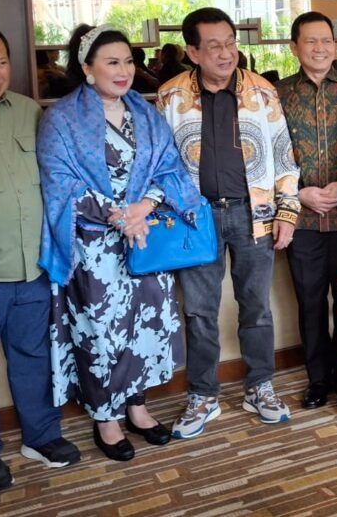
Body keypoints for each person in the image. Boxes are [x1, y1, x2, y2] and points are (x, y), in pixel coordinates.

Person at [38, 24, 202, 462]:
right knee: (102, 331)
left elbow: (170, 168)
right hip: (94, 248)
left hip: (145, 239)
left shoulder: (144, 113)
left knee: (145, 327)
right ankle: (105, 418)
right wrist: (117, 215)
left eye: (128, 61)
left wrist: (144, 207)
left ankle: (138, 408)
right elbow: (60, 184)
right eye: (112, 62)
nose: (124, 70)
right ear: (87, 68)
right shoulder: (61, 118)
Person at [0, 24, 80, 491]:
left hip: (32, 267)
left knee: (34, 357)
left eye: (1, 62)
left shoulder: (29, 111)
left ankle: (41, 436)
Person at [158, 7, 300, 437]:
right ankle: (203, 396)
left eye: (231, 43)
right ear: (193, 52)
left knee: (256, 306)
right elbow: (159, 163)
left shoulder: (262, 91)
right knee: (199, 311)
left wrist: (287, 211)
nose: (226, 53)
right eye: (214, 46)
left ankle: (260, 387)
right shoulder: (170, 96)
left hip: (253, 213)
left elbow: (283, 154)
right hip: (195, 218)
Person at [276, 13, 337, 409]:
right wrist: (299, 194)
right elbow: (268, 156)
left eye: (326, 41)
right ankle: (318, 379)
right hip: (303, 221)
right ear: (294, 46)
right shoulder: (277, 94)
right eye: (311, 41)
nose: (320, 48)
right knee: (311, 302)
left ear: (336, 46)